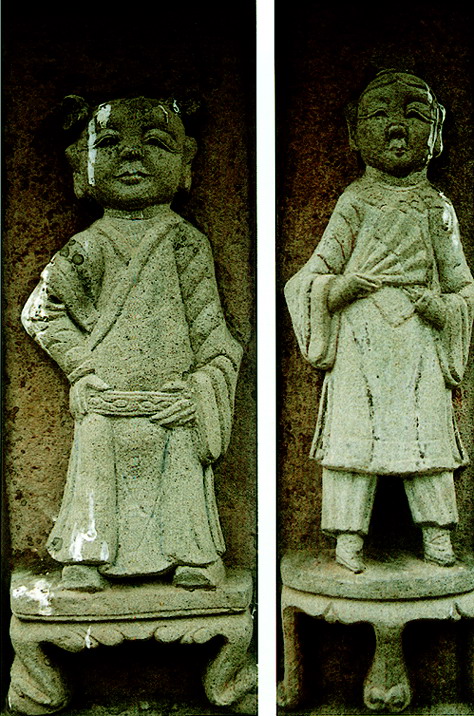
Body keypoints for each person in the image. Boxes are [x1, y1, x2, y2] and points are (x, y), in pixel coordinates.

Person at [22, 96, 242, 590]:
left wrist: (200, 389)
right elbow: (40, 311)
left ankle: (190, 555)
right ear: (81, 166)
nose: (132, 156)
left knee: (180, 467)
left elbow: (213, 334)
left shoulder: (185, 243)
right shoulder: (88, 245)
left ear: (185, 163)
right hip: (105, 396)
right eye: (109, 143)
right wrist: (81, 369)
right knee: (96, 472)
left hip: (170, 400)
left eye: (156, 143)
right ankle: (86, 555)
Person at [285, 70, 474, 573]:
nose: (396, 127)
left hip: (419, 337)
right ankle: (348, 536)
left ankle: (437, 532)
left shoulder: (436, 207)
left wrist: (443, 308)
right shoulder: (355, 201)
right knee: (353, 438)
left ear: (437, 130)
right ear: (354, 130)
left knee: (426, 438)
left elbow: (462, 286)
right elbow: (309, 279)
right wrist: (342, 288)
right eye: (380, 115)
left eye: (414, 114)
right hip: (360, 335)